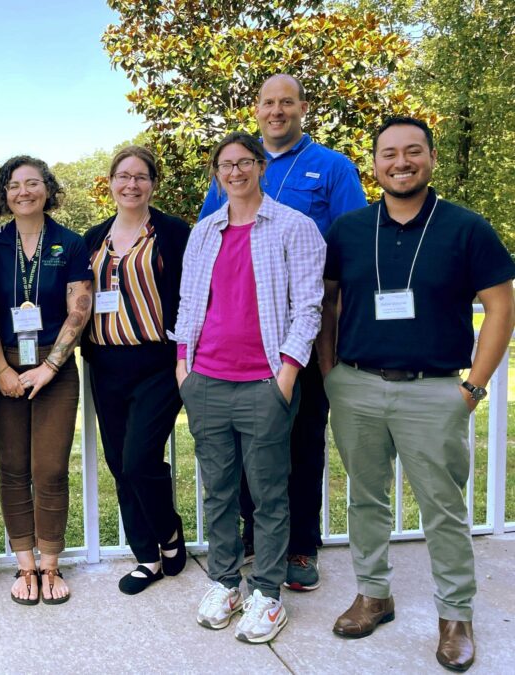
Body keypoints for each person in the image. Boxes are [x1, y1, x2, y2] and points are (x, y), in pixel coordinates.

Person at [318, 117, 514, 671]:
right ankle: (373, 594)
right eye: (388, 154)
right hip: (355, 386)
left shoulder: (465, 228)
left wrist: (474, 386)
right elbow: (329, 304)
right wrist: (331, 370)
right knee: (365, 497)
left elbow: (501, 306)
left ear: (430, 157)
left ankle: (456, 616)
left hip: (433, 391)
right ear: (374, 163)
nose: (400, 162)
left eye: (412, 152)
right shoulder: (350, 230)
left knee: (444, 509)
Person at [199, 74, 367, 590]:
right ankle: (256, 537)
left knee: (300, 440)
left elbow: (352, 246)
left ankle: (299, 547)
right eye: (268, 102)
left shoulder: (332, 167)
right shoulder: (236, 168)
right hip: (237, 338)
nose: (277, 111)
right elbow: (210, 242)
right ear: (256, 109)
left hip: (304, 333)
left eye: (286, 102)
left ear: (302, 108)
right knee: (245, 447)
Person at [172, 131, 325, 644]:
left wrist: (285, 372)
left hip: (264, 382)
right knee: (217, 492)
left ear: (260, 166)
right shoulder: (205, 231)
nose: (234, 172)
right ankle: (224, 582)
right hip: (207, 380)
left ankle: (267, 594)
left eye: (243, 162)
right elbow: (189, 304)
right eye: (225, 165)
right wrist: (182, 365)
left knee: (269, 493)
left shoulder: (294, 226)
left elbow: (308, 307)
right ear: (217, 173)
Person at [80, 146, 191, 595]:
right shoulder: (93, 238)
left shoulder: (172, 233)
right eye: (123, 176)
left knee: (140, 458)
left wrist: (186, 353)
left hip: (158, 363)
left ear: (153, 184)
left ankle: (169, 531)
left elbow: (190, 296)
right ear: (110, 182)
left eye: (141, 177)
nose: (131, 184)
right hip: (105, 363)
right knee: (118, 463)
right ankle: (147, 556)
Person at [0, 156, 92, 605]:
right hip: (2, 364)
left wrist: (50, 367)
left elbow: (79, 308)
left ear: (47, 188)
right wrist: (0, 369)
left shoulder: (70, 242)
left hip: (55, 366)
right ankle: (24, 564)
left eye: (32, 183)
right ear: (3, 194)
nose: (23, 191)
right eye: (14, 185)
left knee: (49, 469)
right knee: (12, 468)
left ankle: (50, 563)